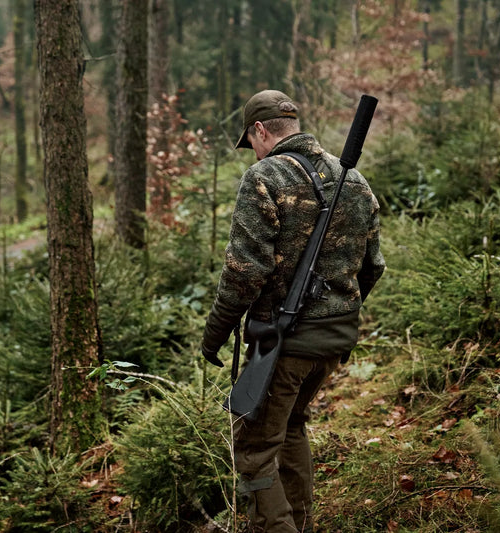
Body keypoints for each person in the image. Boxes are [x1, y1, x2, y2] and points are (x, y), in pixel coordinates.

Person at [201, 89, 385, 532]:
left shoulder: (264, 177)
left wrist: (216, 333)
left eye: (252, 141)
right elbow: (372, 267)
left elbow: (244, 273)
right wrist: (334, 311)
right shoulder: (352, 179)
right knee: (291, 430)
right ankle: (298, 524)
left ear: (260, 130)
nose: (254, 152)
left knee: (254, 449)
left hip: (285, 343)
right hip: (333, 342)